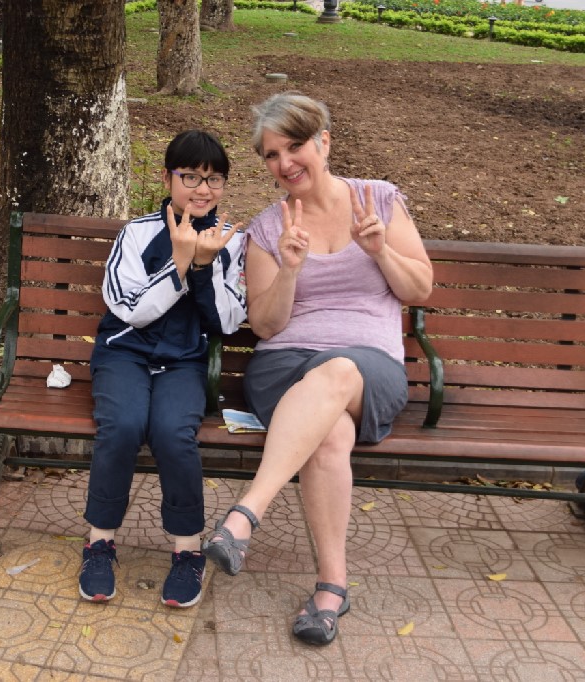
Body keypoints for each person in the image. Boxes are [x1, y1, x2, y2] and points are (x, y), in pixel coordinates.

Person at [202, 92, 433, 645]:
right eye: (271, 154)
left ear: (323, 141)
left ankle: (245, 515)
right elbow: (265, 326)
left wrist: (379, 250)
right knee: (330, 436)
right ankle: (332, 589)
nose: (285, 164)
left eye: (295, 146)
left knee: (339, 372)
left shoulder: (378, 201)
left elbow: (420, 288)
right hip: (285, 369)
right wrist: (289, 268)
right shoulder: (268, 228)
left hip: (368, 370)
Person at [80, 130, 247, 609]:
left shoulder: (231, 241)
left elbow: (228, 321)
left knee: (174, 432)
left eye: (214, 179)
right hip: (124, 354)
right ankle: (99, 544)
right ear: (167, 178)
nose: (202, 189)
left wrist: (204, 268)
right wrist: (179, 263)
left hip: (185, 361)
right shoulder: (136, 233)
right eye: (190, 176)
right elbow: (129, 308)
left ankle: (187, 551)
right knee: (123, 424)